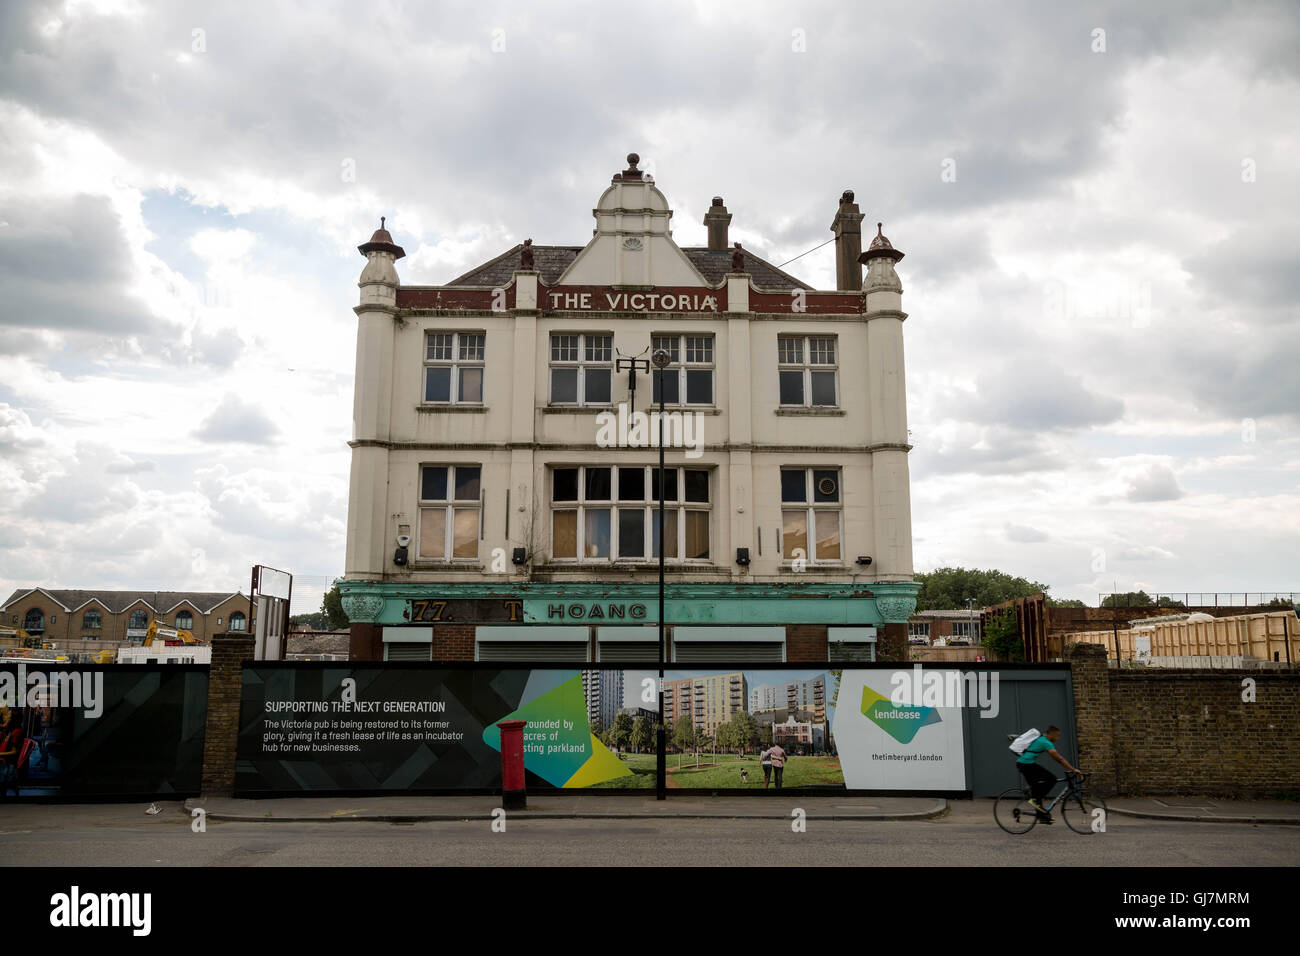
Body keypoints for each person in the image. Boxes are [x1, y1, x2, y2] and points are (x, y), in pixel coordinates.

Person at [1016, 725, 1080, 821]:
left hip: (1024, 764)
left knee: (1037, 791)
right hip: (1026, 764)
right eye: (1057, 736)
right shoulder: (1046, 742)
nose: (1057, 738)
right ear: (1051, 734)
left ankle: (1042, 817)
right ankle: (1035, 800)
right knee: (1051, 779)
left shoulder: (1042, 739)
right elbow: (1059, 758)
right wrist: (1073, 769)